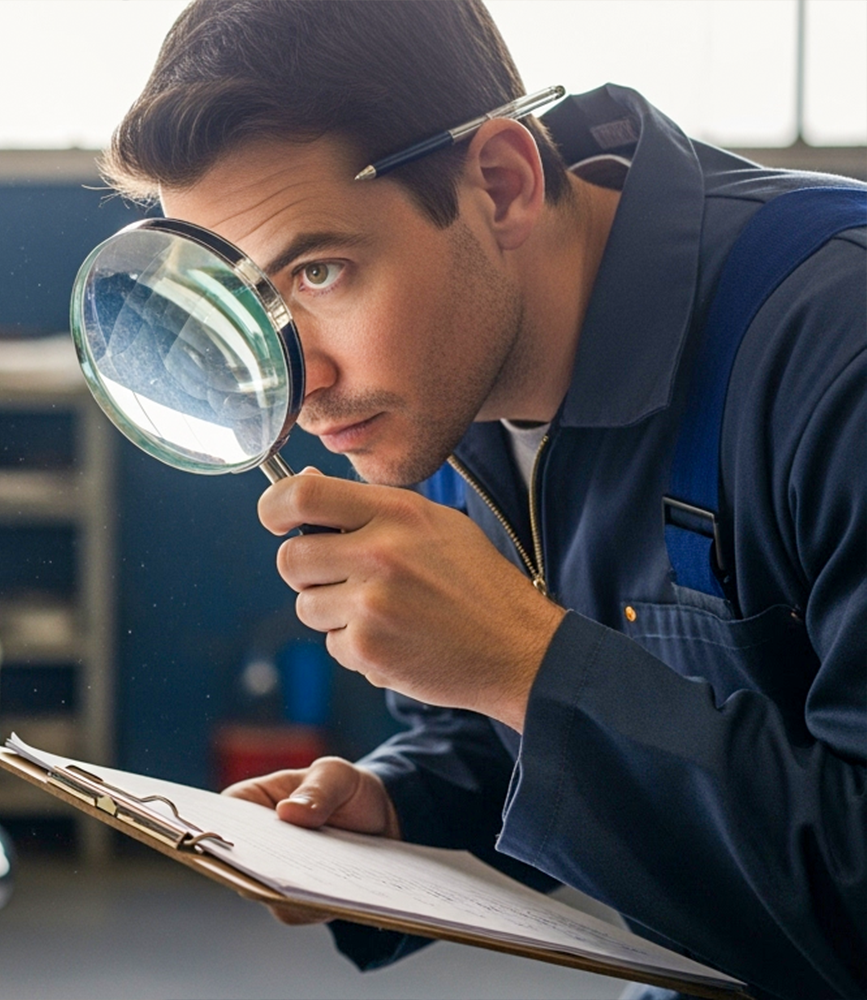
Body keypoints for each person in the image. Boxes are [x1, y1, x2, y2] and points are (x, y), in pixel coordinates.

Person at [99, 2, 866, 998]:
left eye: (320, 271)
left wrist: (520, 660)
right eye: (251, 308)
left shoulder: (836, 351)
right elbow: (533, 728)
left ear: (501, 184)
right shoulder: (443, 373)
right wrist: (404, 801)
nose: (300, 383)